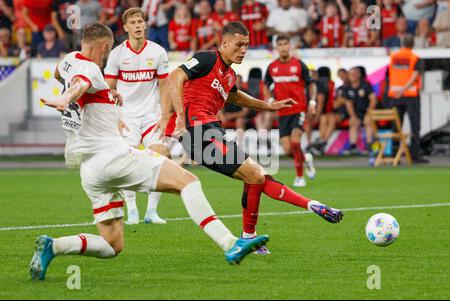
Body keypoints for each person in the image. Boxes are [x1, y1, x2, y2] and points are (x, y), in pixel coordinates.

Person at [31, 23, 269, 281]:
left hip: (90, 170)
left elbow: (62, 75)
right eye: (107, 51)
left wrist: (102, 96)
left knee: (112, 245)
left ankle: (53, 246)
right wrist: (67, 97)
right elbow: (79, 83)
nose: (107, 57)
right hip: (114, 157)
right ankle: (229, 243)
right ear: (104, 46)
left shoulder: (68, 60)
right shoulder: (89, 69)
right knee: (188, 182)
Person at [161, 22, 343, 255]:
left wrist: (268, 106)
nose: (243, 50)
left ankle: (268, 227)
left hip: (210, 130)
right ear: (224, 43)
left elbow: (236, 97)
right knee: (255, 173)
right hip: (198, 130)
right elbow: (174, 76)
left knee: (255, 176)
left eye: (246, 45)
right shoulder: (207, 59)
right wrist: (179, 119)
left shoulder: (229, 75)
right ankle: (294, 213)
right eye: (239, 45)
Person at [104, 8, 169, 225]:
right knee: (125, 162)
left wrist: (165, 117)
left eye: (141, 21)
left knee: (162, 156)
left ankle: (152, 212)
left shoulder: (158, 52)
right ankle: (132, 210)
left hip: (151, 116)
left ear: (145, 24)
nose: (138, 25)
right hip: (127, 118)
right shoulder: (117, 54)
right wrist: (115, 118)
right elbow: (108, 90)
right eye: (133, 22)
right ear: (126, 27)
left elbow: (164, 86)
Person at [265, 35, 317, 187]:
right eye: (280, 44)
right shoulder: (272, 67)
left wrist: (312, 101)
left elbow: (311, 85)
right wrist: (269, 100)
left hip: (299, 109)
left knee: (295, 142)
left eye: (285, 44)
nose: (283, 47)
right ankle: (306, 159)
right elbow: (265, 84)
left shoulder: (299, 65)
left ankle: (299, 178)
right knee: (288, 150)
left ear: (290, 46)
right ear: (276, 48)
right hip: (283, 112)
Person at [387, 33, 427, 163]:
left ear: (402, 43)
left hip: (395, 96)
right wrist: (403, 89)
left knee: (396, 126)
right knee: (415, 126)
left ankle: (394, 154)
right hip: (411, 96)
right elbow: (414, 76)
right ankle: (415, 156)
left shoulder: (393, 57)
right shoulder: (415, 58)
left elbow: (390, 75)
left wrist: (398, 91)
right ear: (413, 44)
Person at [342, 67, 377, 155]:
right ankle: (353, 145)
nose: (352, 76)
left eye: (354, 74)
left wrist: (369, 112)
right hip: (356, 112)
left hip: (368, 111)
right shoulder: (348, 88)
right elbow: (348, 103)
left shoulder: (365, 85)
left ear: (359, 75)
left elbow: (373, 100)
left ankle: (369, 145)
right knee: (353, 122)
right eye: (350, 74)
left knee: (367, 121)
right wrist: (353, 116)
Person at [307, 66, 335, 156]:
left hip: (322, 112)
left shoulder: (320, 85)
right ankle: (311, 144)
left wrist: (317, 116)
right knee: (312, 119)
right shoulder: (307, 85)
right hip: (314, 112)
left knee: (324, 118)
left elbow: (321, 102)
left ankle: (320, 142)